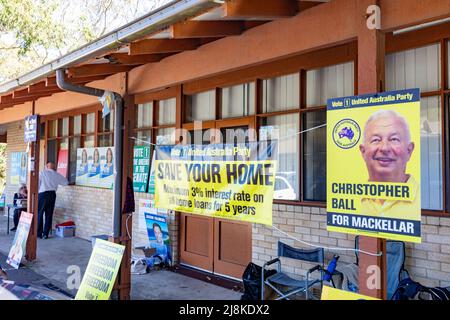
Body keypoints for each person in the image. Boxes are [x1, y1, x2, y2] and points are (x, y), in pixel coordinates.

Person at [359, 110, 419, 217]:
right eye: (376, 140)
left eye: (394, 139)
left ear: (409, 150)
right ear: (363, 151)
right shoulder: (351, 197)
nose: (384, 148)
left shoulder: (422, 198)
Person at [38, 161, 68, 239]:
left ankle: (38, 233)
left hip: (43, 194)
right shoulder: (56, 174)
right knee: (49, 215)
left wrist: (38, 192)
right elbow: (66, 182)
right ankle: (45, 234)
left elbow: (37, 184)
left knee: (39, 213)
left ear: (46, 166)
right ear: (53, 167)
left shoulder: (42, 173)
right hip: (52, 195)